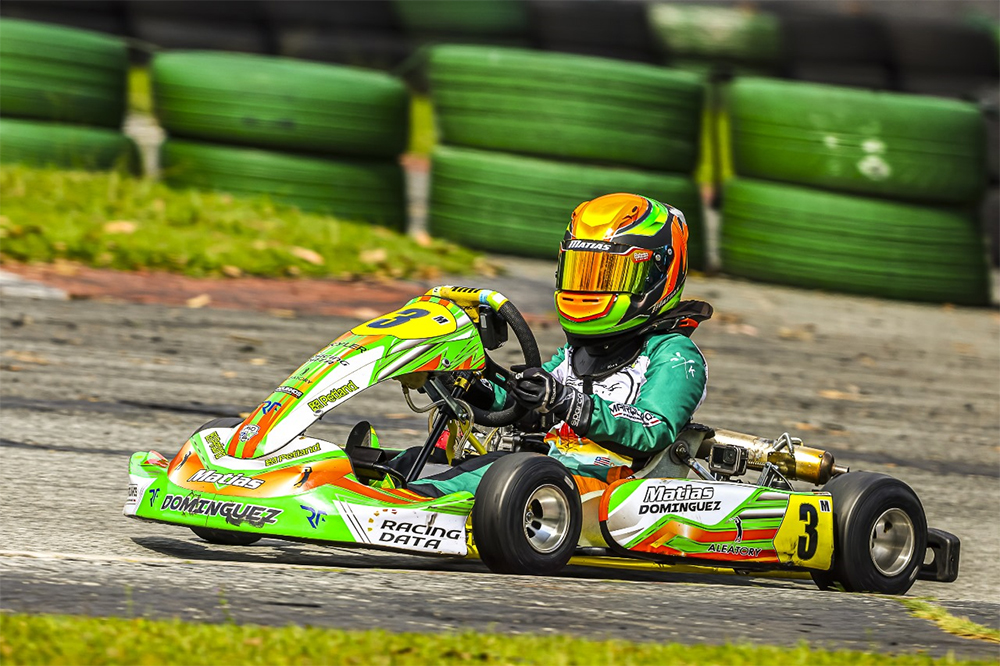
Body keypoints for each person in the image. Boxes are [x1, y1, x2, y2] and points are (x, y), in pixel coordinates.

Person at [400, 192, 712, 498]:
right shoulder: (577, 354)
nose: (587, 289)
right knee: (418, 460)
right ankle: (379, 483)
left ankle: (408, 503)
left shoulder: (674, 354)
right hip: (551, 473)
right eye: (581, 272)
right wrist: (462, 383)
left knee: (495, 474)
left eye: (607, 276)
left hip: (613, 486)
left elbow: (652, 430)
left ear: (656, 277)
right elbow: (520, 405)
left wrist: (566, 400)